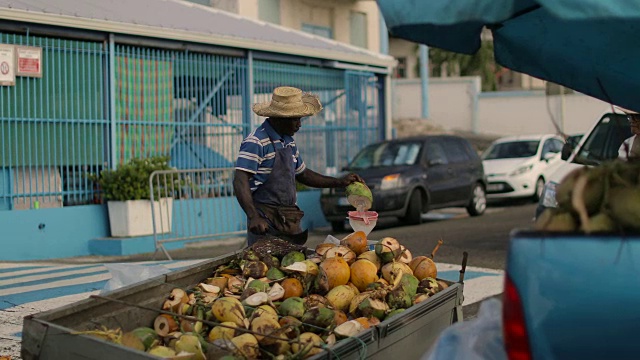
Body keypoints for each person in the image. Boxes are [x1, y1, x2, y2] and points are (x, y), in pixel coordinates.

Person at [234, 86, 364, 246]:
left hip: (289, 218)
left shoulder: (288, 141)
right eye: (295, 119)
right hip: (265, 221)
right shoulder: (256, 142)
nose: (299, 125)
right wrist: (253, 216)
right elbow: (240, 180)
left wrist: (338, 182)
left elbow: (303, 174)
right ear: (279, 118)